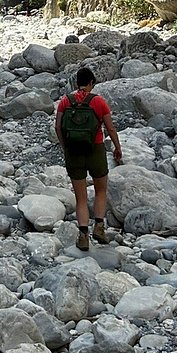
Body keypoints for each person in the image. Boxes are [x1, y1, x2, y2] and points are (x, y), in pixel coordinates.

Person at [55, 66, 122, 250]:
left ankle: (83, 236)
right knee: (101, 190)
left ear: (77, 82)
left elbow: (58, 127)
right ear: (91, 83)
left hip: (73, 152)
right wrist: (117, 147)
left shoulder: (65, 101)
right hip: (96, 149)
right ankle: (99, 228)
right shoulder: (99, 102)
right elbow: (110, 128)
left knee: (81, 198)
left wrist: (65, 147)